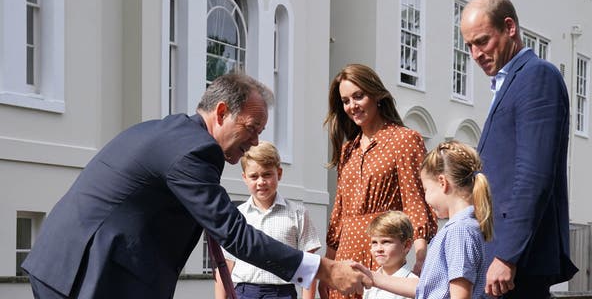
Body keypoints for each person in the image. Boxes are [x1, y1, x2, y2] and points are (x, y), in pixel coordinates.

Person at [21, 73, 371, 299]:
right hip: (88, 274)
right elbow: (234, 233)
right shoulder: (193, 150)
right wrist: (325, 269)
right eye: (251, 128)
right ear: (221, 113)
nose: (253, 142)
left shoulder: (173, 133)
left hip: (73, 265)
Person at [460, 0, 578, 298]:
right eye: (469, 46)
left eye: (482, 41)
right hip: (500, 256)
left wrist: (507, 255)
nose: (475, 53)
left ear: (509, 27)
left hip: (516, 264)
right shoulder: (509, 82)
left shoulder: (537, 76)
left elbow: (534, 175)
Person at [320, 63, 438, 299]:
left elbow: (415, 200)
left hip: (382, 252)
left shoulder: (404, 140)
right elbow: (338, 214)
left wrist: (422, 255)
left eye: (358, 96)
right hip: (346, 253)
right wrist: (328, 267)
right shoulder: (348, 151)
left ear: (376, 95)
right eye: (345, 101)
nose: (352, 106)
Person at [355, 140, 494, 299]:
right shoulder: (462, 227)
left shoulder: (459, 230)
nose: (426, 198)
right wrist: (371, 276)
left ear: (442, 183)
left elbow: (460, 295)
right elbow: (425, 289)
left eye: (426, 189)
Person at [214, 141, 322, 299]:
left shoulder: (297, 214)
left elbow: (310, 266)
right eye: (254, 176)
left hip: (282, 293)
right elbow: (225, 266)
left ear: (279, 173)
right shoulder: (236, 216)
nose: (261, 182)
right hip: (244, 293)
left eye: (267, 174)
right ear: (244, 178)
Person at [363, 211, 418, 299]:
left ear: (406, 245)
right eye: (374, 242)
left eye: (386, 242)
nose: (379, 249)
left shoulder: (414, 286)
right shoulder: (369, 282)